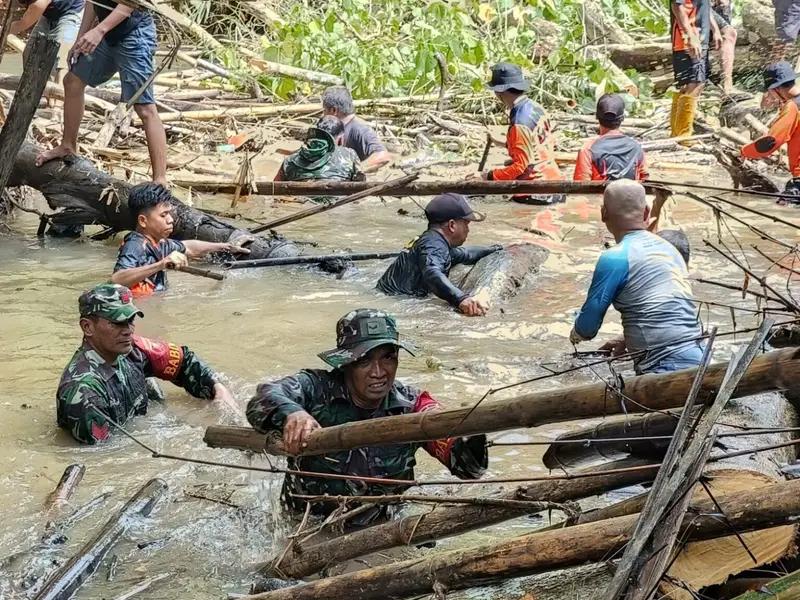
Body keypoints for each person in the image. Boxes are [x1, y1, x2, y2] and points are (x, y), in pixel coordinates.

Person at [245, 309, 487, 521]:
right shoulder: (315, 389)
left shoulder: (413, 406)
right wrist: (293, 414)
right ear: (346, 363)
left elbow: (469, 469)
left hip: (383, 524)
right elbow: (263, 398)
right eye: (365, 361)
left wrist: (470, 437)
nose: (379, 372)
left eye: (388, 358)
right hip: (309, 521)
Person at [57, 283, 236, 444]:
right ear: (87, 327)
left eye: (130, 320)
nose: (128, 330)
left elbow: (184, 361)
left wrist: (217, 388)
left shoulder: (134, 349)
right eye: (117, 323)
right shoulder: (84, 393)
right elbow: (105, 457)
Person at [569, 180, 704, 374]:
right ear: (647, 212)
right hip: (699, 356)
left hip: (662, 367)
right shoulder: (669, 250)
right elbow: (671, 311)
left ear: (603, 214)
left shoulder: (614, 257)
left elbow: (587, 328)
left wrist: (575, 335)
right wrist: (625, 340)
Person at [34, 0, 168, 185]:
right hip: (106, 35)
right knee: (72, 81)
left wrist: (99, 31)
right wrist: (80, 38)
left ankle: (160, 180)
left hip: (134, 34)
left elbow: (130, 4)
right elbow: (92, 2)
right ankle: (68, 145)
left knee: (145, 108)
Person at [111, 182, 250, 296]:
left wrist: (224, 246)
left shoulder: (160, 243)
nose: (170, 220)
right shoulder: (135, 244)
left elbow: (188, 247)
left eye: (169, 214)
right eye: (163, 215)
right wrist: (161, 264)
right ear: (143, 221)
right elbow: (117, 279)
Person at [377, 193, 502, 316]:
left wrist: (495, 249)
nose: (468, 230)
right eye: (466, 224)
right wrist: (461, 299)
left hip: (387, 297)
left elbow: (466, 254)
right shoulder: (434, 245)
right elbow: (432, 272)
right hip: (399, 304)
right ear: (452, 225)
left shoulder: (433, 241)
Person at [477, 62, 564, 205]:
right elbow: (538, 144)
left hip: (535, 190)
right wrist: (504, 143)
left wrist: (487, 176)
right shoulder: (537, 108)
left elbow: (519, 168)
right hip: (555, 183)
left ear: (499, 93)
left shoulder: (519, 123)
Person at [741, 62, 800, 202]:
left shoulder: (793, 107)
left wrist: (744, 151)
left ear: (775, 89)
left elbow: (769, 142)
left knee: (779, 210)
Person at [670, 0, 722, 139]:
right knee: (696, 83)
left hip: (699, 38)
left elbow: (704, 8)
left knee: (691, 84)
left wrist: (715, 29)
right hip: (688, 39)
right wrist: (690, 36)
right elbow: (677, 6)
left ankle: (677, 132)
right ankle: (683, 135)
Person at [573, 94, 648, 182]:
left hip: (600, 195)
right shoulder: (636, 147)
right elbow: (645, 180)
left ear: (597, 117)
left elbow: (581, 186)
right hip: (631, 194)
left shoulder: (588, 149)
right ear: (622, 118)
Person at [10, 0, 83, 85]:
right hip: (48, 13)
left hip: (71, 11)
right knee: (30, 52)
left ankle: (57, 95)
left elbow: (36, 8)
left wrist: (9, 29)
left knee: (61, 63)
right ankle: (32, 93)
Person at [274, 115, 364, 183]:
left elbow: (274, 189)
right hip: (339, 204)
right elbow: (360, 186)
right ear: (341, 139)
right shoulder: (350, 154)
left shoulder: (290, 160)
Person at [321, 86, 391, 171]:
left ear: (334, 110)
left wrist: (354, 170)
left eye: (324, 111)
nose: (323, 115)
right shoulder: (337, 127)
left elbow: (382, 155)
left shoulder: (360, 128)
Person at [711, 0, 737, 94]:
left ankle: (724, 82)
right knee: (729, 33)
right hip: (701, 5)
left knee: (726, 35)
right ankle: (727, 83)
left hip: (721, 4)